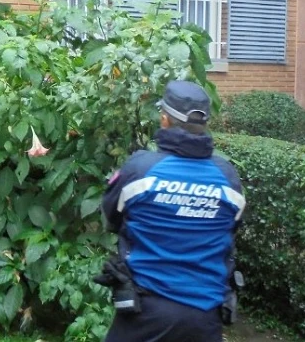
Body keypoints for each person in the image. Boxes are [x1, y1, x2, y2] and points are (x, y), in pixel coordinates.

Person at [98, 80, 246, 342]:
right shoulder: (228, 177)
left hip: (145, 311)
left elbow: (111, 218)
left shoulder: (139, 170)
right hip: (205, 318)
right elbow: (232, 228)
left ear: (164, 119)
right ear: (204, 125)